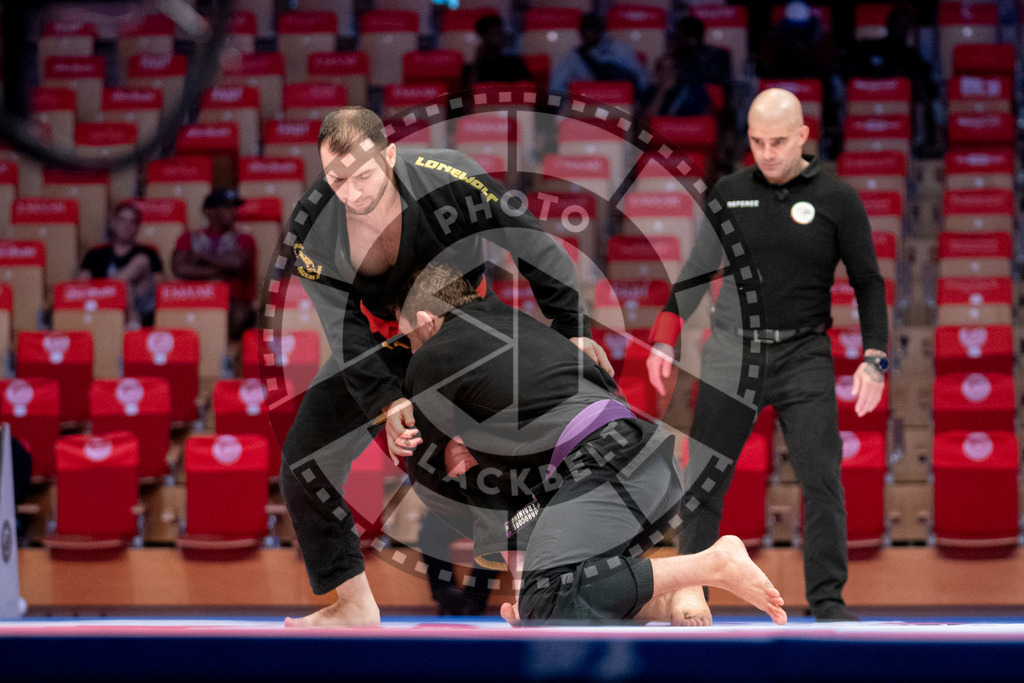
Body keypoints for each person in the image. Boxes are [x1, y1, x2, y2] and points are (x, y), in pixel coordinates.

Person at [279, 106, 610, 627]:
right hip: (382, 344)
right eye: (336, 179)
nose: (351, 191)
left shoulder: (447, 176)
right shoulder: (313, 227)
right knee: (304, 459)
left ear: (389, 156)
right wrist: (386, 402)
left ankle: (544, 578)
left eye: (363, 175)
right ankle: (353, 605)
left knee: (488, 454)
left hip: (467, 330)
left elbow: (533, 244)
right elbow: (345, 330)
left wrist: (574, 328)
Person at [392, 263, 787, 625]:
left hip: (603, 465)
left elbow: (427, 469)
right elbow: (515, 493)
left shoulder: (432, 357)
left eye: (406, 336)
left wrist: (433, 447)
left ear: (424, 322)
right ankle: (668, 597)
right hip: (647, 466)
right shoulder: (522, 330)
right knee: (551, 601)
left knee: (544, 600)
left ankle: (707, 565)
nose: (409, 349)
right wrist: (523, 590)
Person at [645, 88, 888, 623]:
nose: (768, 152)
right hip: (733, 351)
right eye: (757, 142)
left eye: (778, 141)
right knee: (704, 481)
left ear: (803, 136)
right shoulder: (729, 193)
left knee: (822, 480)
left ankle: (826, 602)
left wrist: (876, 357)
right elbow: (694, 272)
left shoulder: (837, 198)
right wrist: (664, 337)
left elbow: (868, 281)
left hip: (804, 354)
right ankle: (692, 600)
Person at [847, 3, 939, 156]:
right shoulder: (867, 48)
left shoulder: (913, 59)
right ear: (888, 24)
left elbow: (926, 91)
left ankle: (927, 141)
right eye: (898, 22)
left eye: (905, 23)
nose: (901, 27)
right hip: (866, 108)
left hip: (900, 115)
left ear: (911, 28)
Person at [171, 188, 256, 340]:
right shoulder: (188, 238)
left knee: (239, 313)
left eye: (234, 207)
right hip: (195, 300)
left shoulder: (244, 239)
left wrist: (201, 257)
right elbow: (179, 268)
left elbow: (236, 263)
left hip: (233, 305)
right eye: (227, 207)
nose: (233, 212)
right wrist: (219, 272)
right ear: (210, 211)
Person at [78, 200, 164, 328]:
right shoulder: (94, 254)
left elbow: (159, 287)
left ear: (138, 227)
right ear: (113, 223)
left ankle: (132, 324)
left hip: (141, 306)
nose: (126, 225)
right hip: (101, 305)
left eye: (132, 222)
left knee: (141, 261)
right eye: (122, 220)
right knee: (126, 286)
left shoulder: (149, 253)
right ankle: (128, 323)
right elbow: (80, 285)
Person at [548, 12, 650, 96]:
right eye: (585, 31)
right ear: (580, 33)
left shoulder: (620, 49)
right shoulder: (575, 56)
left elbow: (641, 81)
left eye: (592, 31)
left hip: (622, 102)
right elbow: (554, 88)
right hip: (592, 106)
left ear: (601, 32)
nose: (588, 35)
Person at [463, 14, 532, 89]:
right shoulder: (472, 68)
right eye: (495, 32)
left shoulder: (515, 64)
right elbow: (466, 96)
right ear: (483, 37)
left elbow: (527, 93)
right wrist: (476, 60)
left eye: (501, 32)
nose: (501, 36)